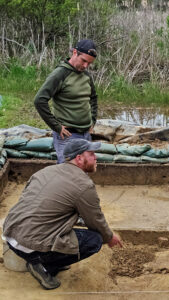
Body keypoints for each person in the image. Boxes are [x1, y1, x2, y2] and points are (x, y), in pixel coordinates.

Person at [2, 138, 122, 290]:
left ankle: (50, 258)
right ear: (79, 158)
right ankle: (45, 266)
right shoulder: (83, 185)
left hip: (11, 235)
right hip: (31, 245)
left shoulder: (45, 171)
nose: (96, 157)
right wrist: (109, 237)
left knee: (69, 228)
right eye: (91, 154)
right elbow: (95, 220)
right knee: (95, 240)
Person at [34, 39, 98, 163]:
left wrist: (93, 120)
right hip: (68, 135)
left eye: (89, 63)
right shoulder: (60, 74)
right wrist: (56, 126)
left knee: (83, 169)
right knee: (67, 172)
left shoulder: (86, 76)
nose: (85, 66)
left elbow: (93, 98)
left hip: (86, 133)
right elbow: (39, 100)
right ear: (75, 52)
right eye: (83, 61)